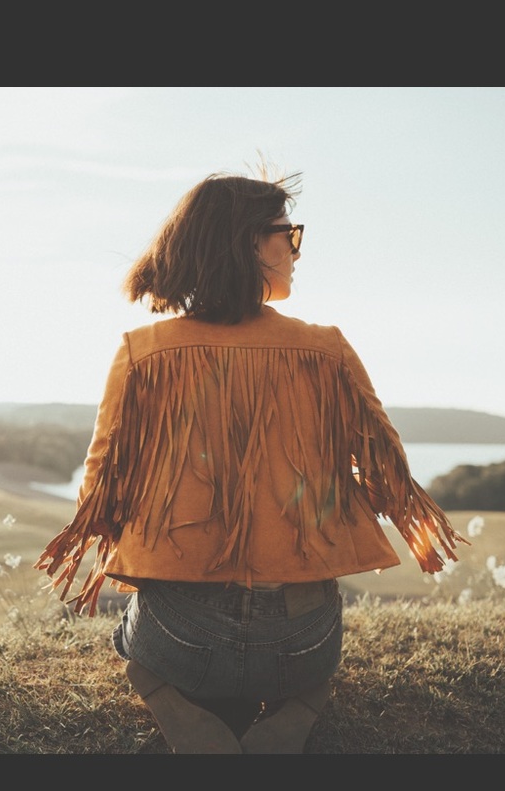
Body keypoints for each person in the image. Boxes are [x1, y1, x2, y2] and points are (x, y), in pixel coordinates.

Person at [35, 160, 468, 754]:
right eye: (287, 235)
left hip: (184, 632)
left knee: (131, 643)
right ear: (248, 245)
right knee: (317, 669)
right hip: (304, 637)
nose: (296, 250)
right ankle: (300, 708)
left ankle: (165, 694)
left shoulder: (143, 351)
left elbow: (101, 492)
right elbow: (388, 473)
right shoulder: (325, 349)